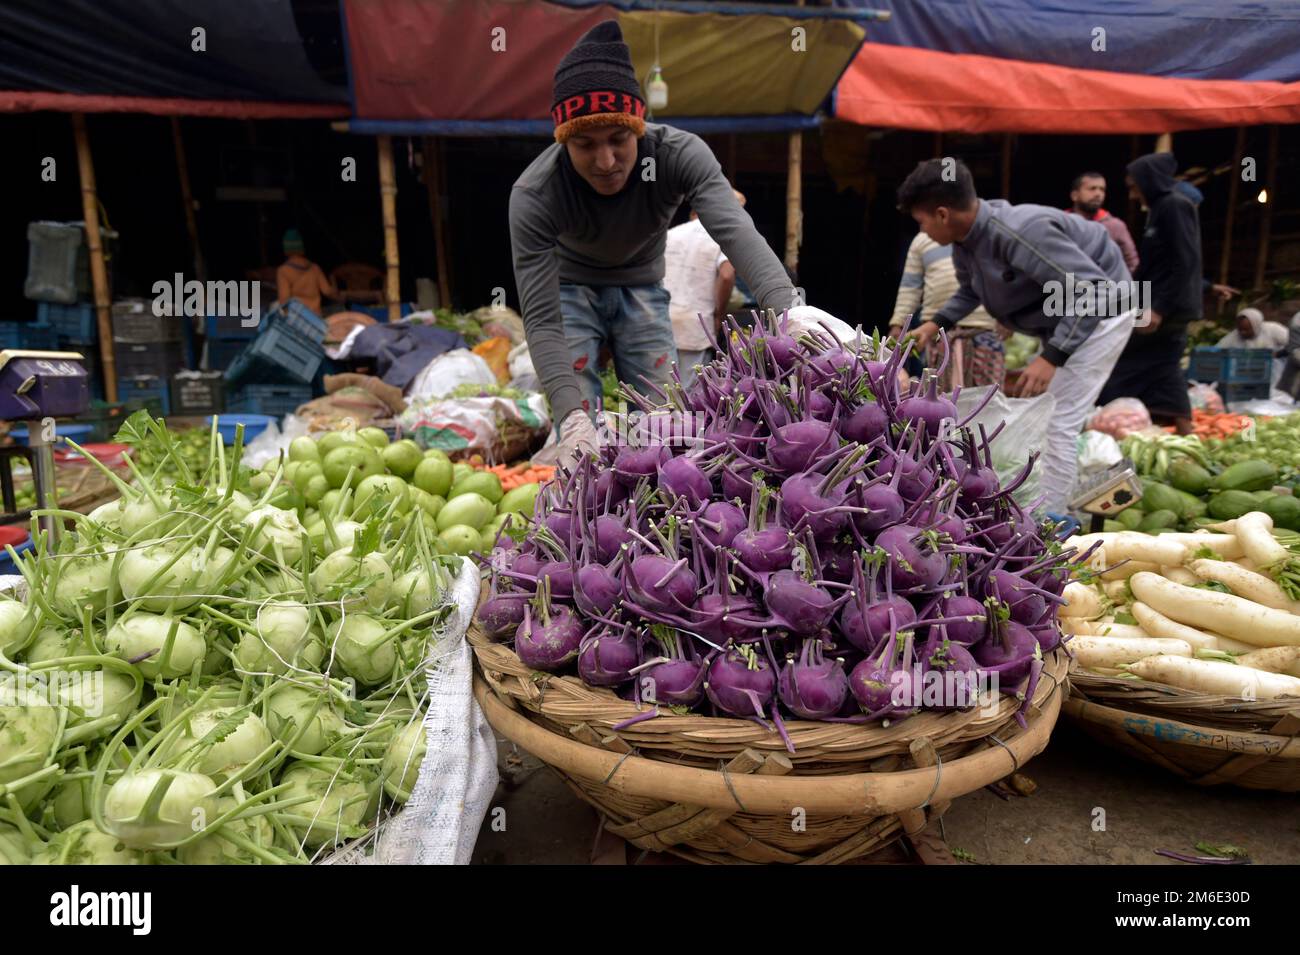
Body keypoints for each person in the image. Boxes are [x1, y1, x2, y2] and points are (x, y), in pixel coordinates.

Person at [509, 21, 797, 463]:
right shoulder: (536, 193)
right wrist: (569, 417)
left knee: (664, 423)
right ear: (563, 140)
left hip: (643, 286)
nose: (606, 162)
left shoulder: (680, 155)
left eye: (619, 139)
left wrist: (792, 313)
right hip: (568, 290)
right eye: (585, 144)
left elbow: (735, 233)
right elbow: (544, 321)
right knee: (580, 431)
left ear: (639, 126)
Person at [901, 157, 1134, 515]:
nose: (924, 232)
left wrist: (1053, 356)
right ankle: (1056, 501)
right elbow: (971, 291)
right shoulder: (967, 242)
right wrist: (933, 325)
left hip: (1104, 310)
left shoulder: (1022, 230)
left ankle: (1054, 524)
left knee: (1059, 420)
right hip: (1064, 317)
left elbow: (1093, 291)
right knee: (1055, 413)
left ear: (943, 214)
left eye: (922, 222)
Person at [1098, 153, 1205, 435]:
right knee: (1163, 366)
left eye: (1135, 187)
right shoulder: (1159, 209)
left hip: (1167, 310)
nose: (1133, 195)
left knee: (1123, 364)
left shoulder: (1174, 206)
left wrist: (1159, 308)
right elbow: (1151, 267)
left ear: (1150, 182)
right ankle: (1182, 431)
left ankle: (1114, 432)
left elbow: (1184, 262)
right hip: (1156, 306)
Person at [888, 231, 1004, 390]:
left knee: (988, 398)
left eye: (922, 220)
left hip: (984, 331)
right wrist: (898, 324)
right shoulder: (922, 240)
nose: (923, 225)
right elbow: (910, 287)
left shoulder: (984, 235)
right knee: (937, 398)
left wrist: (1007, 316)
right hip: (934, 335)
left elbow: (1004, 277)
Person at [662, 192, 745, 389]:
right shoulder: (723, 235)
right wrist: (719, 314)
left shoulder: (672, 233)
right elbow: (726, 275)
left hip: (661, 320)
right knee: (687, 398)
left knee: (659, 392)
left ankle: (648, 422)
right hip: (695, 324)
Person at [1065, 171, 1140, 274]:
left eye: (1102, 189)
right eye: (1092, 189)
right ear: (1074, 195)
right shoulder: (1063, 222)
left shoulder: (1115, 225)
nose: (1098, 194)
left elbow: (1132, 262)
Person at [275, 228, 336, 317]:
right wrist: (334, 283)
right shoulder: (315, 268)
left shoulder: (283, 271)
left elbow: (284, 300)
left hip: (297, 318)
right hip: (316, 317)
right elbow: (328, 291)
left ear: (286, 249)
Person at [1216, 307, 1288, 351]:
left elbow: (1293, 343)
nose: (1242, 332)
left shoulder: (1273, 329)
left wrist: (1279, 354)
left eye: (1247, 329)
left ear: (1256, 326)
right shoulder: (1235, 335)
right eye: (1240, 329)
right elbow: (1218, 349)